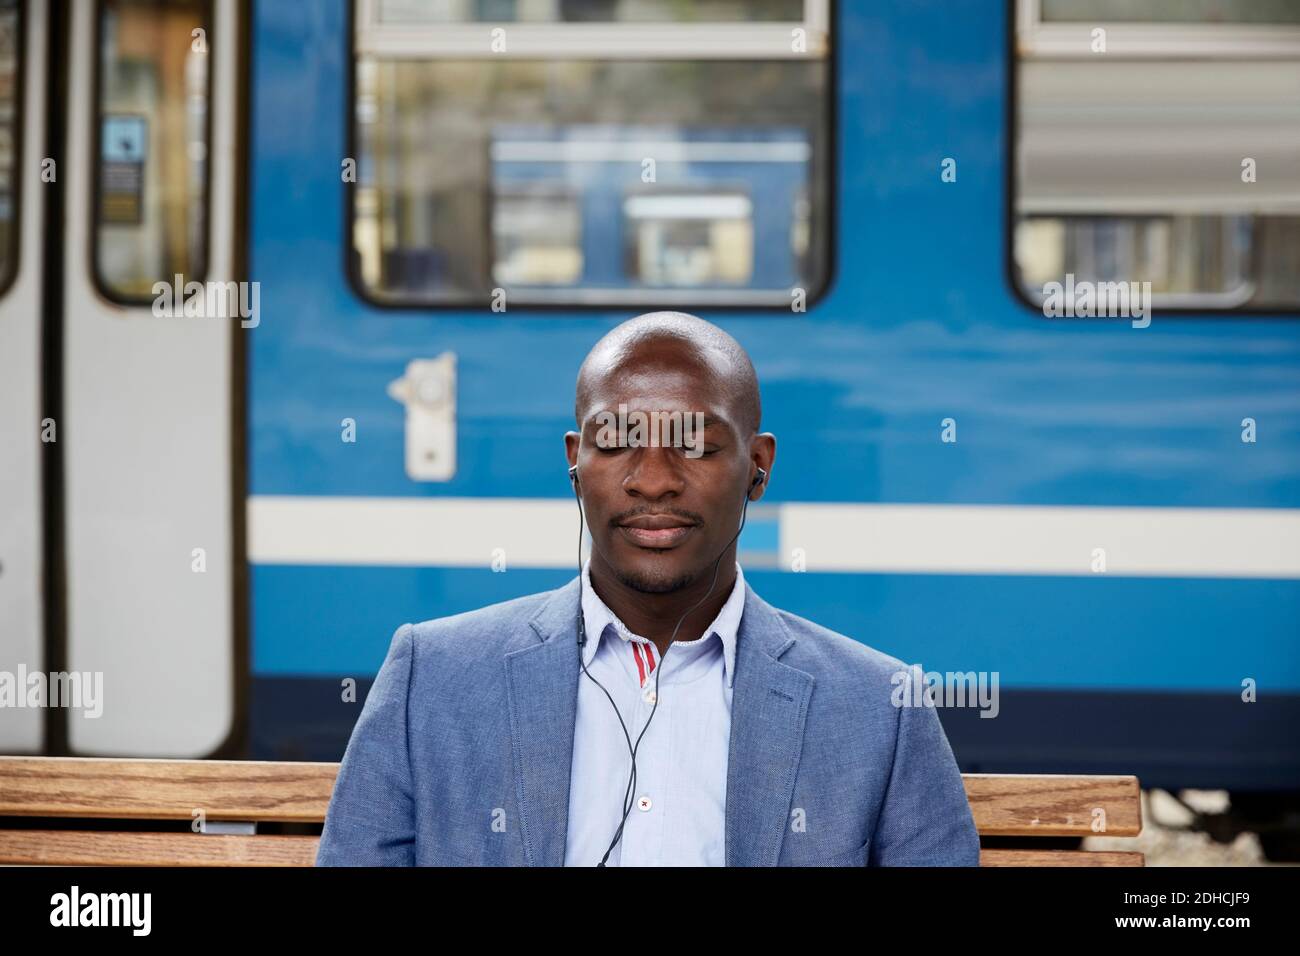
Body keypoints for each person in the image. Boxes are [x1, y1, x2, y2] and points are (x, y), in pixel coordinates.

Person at [316, 311, 979, 866]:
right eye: (618, 440)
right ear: (575, 463)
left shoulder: (879, 707)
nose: (654, 479)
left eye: (694, 445)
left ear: (758, 467)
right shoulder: (430, 678)